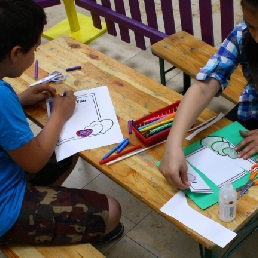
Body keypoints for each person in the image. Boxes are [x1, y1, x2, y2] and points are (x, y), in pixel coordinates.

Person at [0, 0, 123, 246]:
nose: (35, 54)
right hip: (5, 208)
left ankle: (42, 206)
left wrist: (20, 99)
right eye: (34, 48)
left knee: (68, 150)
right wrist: (59, 115)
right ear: (15, 53)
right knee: (111, 211)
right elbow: (35, 160)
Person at [159, 0, 258, 190]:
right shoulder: (243, 35)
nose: (257, 37)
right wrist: (173, 143)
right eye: (252, 25)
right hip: (251, 110)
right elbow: (204, 87)